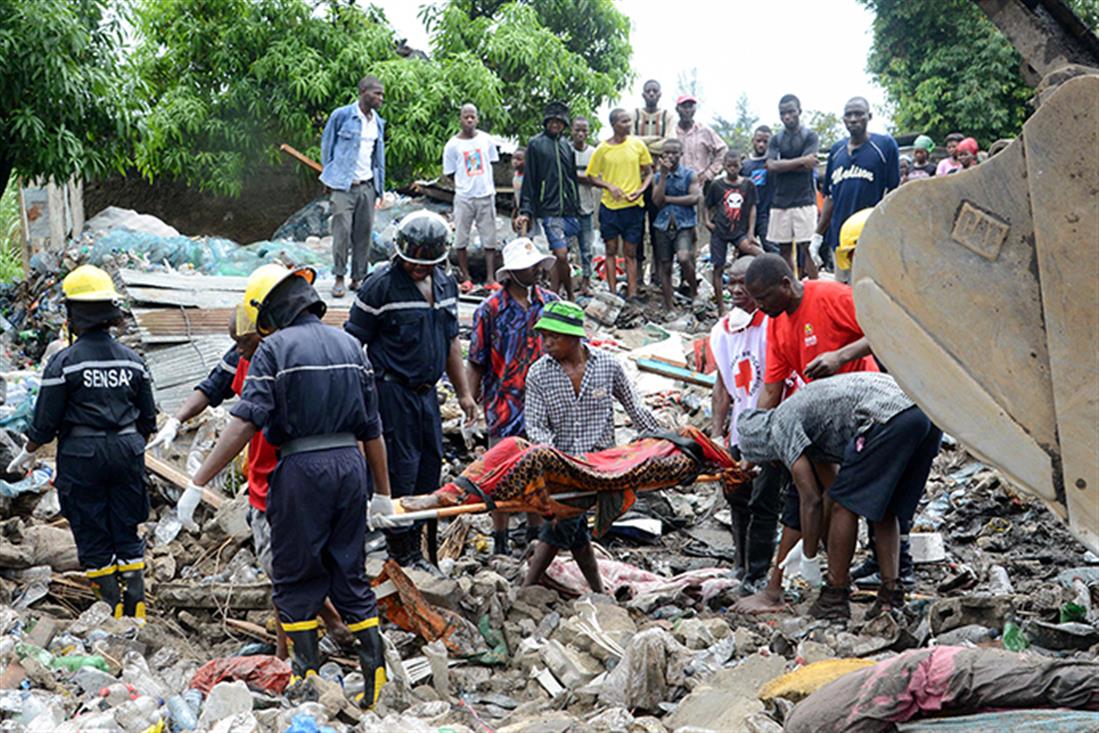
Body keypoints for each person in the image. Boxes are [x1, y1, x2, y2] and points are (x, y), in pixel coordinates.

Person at [187, 264, 392, 705]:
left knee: (297, 578)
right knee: (350, 575)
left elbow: (244, 422)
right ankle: (376, 687)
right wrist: (383, 494)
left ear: (268, 313)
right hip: (350, 468)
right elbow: (372, 428)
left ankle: (309, 682)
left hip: (302, 470)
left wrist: (198, 480)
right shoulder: (352, 345)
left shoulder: (274, 349)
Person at [148, 309, 353, 659]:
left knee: (286, 567)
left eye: (245, 343)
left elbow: (242, 426)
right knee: (279, 565)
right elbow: (212, 387)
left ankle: (324, 636)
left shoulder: (288, 356)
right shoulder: (246, 355)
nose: (241, 352)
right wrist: (176, 420)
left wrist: (198, 483)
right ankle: (285, 650)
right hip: (266, 475)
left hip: (294, 475)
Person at [8, 266, 156, 621]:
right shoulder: (133, 361)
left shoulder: (64, 362)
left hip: (82, 454)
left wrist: (28, 452)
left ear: (73, 314)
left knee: (91, 524)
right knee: (125, 523)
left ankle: (110, 610)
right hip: (127, 449)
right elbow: (148, 419)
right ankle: (137, 608)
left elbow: (45, 421)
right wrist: (129, 448)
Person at [734, 253, 879, 614]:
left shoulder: (832, 297)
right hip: (820, 422)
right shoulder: (776, 323)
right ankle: (827, 580)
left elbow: (885, 328)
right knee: (816, 498)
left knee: (834, 500)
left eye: (765, 298)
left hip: (864, 412)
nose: (762, 308)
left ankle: (812, 581)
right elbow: (771, 389)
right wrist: (753, 448)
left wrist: (840, 356)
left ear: (786, 284)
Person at [738, 373, 941, 621]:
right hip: (925, 413)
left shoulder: (780, 426)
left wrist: (809, 559)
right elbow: (832, 486)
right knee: (886, 508)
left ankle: (835, 596)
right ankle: (891, 596)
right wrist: (818, 544)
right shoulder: (809, 423)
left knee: (843, 507)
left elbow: (812, 499)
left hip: (888, 416)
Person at [346, 210, 477, 568]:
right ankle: (401, 554)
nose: (420, 268)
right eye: (413, 262)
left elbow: (451, 341)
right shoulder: (380, 286)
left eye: (428, 263)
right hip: (391, 393)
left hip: (427, 395)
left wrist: (464, 393)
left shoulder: (447, 285)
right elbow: (351, 345)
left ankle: (422, 548)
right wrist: (357, 401)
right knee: (400, 471)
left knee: (429, 470)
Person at [523, 301, 662, 591]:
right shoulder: (538, 374)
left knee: (564, 524)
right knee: (566, 524)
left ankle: (528, 588)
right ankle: (584, 588)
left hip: (602, 465)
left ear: (576, 337)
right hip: (561, 466)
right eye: (543, 336)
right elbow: (536, 427)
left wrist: (661, 442)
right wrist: (554, 463)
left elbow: (635, 408)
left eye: (555, 337)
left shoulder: (608, 365)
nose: (546, 343)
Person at [467, 238, 558, 554]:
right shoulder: (490, 310)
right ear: (512, 273)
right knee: (500, 472)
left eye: (535, 266)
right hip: (504, 403)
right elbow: (477, 359)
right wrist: (472, 401)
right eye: (528, 267)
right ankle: (501, 540)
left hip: (543, 404)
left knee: (538, 471)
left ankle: (534, 535)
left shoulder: (550, 304)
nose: (534, 271)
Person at [709, 257, 787, 594]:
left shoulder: (773, 324)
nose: (738, 291)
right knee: (736, 494)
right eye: (732, 283)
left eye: (744, 284)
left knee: (764, 500)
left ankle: (757, 570)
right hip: (742, 426)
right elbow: (723, 384)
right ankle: (739, 562)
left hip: (771, 427)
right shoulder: (724, 331)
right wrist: (717, 432)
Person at [812, 97, 899, 277]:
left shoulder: (884, 146)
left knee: (869, 293)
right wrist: (817, 237)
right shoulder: (837, 151)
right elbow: (830, 196)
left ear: (869, 116)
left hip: (870, 236)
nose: (853, 119)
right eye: (848, 115)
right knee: (844, 295)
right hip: (841, 240)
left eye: (858, 114)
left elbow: (893, 192)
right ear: (843, 119)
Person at [320, 75, 386, 298]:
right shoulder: (342, 116)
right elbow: (327, 147)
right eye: (377, 93)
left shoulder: (377, 122)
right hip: (343, 186)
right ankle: (339, 276)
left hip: (367, 185)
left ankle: (358, 278)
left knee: (363, 233)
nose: (380, 98)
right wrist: (328, 177)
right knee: (342, 232)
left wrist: (379, 189)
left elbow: (379, 158)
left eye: (382, 94)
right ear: (363, 92)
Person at [585, 108, 654, 301]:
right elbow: (591, 176)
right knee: (610, 250)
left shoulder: (638, 145)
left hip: (633, 207)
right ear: (614, 125)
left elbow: (648, 172)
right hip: (610, 207)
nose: (628, 125)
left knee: (630, 252)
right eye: (624, 122)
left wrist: (640, 190)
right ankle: (613, 293)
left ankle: (631, 293)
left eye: (629, 121)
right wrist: (609, 186)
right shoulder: (602, 149)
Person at [517, 102, 582, 300]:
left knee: (559, 256)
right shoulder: (536, 144)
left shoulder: (567, 147)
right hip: (549, 209)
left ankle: (554, 295)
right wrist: (526, 209)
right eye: (552, 121)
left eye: (559, 122)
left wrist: (576, 205)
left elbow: (572, 178)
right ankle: (570, 296)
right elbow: (530, 179)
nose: (556, 125)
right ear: (546, 122)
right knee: (561, 254)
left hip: (568, 210)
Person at [443, 104, 500, 289]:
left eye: (472, 117)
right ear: (460, 119)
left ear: (477, 119)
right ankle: (466, 277)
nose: (469, 120)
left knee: (489, 238)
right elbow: (450, 172)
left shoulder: (486, 140)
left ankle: (490, 279)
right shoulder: (452, 145)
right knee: (461, 238)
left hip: (486, 195)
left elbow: (492, 162)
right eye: (466, 117)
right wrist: (463, 183)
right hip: (464, 197)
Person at [765, 94, 820, 279]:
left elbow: (809, 164)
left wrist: (783, 164)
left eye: (790, 112)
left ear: (799, 111)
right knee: (784, 250)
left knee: (808, 248)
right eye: (783, 113)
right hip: (780, 201)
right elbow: (770, 166)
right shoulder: (775, 139)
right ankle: (790, 290)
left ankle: (815, 290)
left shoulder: (809, 136)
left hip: (804, 199)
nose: (787, 117)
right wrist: (801, 161)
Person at [704, 150, 761, 315]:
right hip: (720, 231)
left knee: (759, 254)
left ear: (741, 165)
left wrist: (751, 233)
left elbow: (752, 209)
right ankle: (721, 308)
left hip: (739, 232)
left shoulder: (748, 185)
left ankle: (753, 301)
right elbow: (707, 204)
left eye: (736, 166)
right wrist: (707, 222)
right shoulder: (717, 185)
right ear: (724, 166)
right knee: (718, 267)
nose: (732, 169)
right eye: (729, 166)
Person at [651, 138, 701, 311]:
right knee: (665, 265)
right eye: (667, 153)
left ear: (681, 154)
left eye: (674, 152)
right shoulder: (658, 177)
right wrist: (664, 175)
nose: (670, 156)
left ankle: (695, 293)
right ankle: (669, 306)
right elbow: (657, 201)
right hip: (662, 226)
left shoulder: (689, 175)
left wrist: (669, 200)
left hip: (684, 225)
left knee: (684, 258)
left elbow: (694, 198)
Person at [571, 116, 597, 295]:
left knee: (587, 249)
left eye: (584, 130)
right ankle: (569, 285)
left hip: (587, 207)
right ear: (571, 130)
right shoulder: (565, 150)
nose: (580, 134)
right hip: (567, 208)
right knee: (564, 250)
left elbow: (596, 177)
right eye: (577, 130)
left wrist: (573, 175)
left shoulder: (593, 153)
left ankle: (587, 283)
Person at [739, 126, 774, 250]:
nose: (761, 145)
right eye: (758, 141)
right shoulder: (744, 166)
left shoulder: (773, 163)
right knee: (745, 249)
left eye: (765, 142)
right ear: (753, 140)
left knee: (771, 247)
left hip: (767, 214)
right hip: (746, 215)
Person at [631, 79, 674, 151]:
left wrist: (642, 144)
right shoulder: (634, 114)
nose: (651, 94)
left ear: (660, 95)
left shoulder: (667, 116)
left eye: (655, 91)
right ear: (643, 95)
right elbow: (630, 140)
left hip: (660, 160)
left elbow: (669, 142)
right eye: (648, 91)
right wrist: (656, 138)